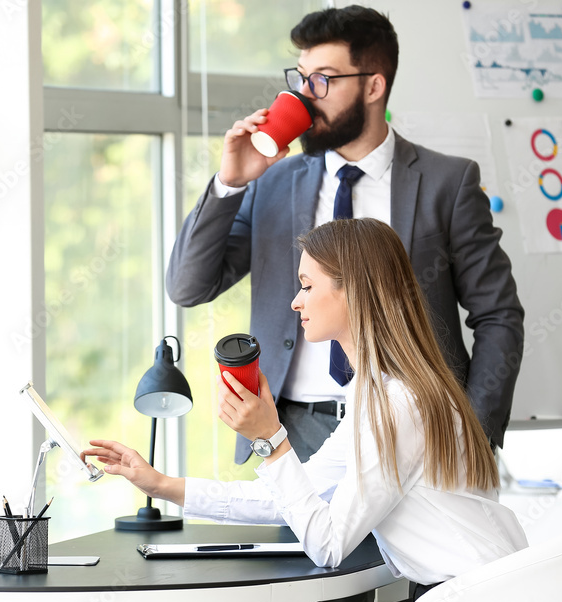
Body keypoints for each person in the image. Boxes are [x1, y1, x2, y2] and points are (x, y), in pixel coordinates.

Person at [87, 219, 528, 602]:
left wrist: (271, 438)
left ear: (352, 290)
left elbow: (329, 544)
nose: (296, 301)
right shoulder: (381, 391)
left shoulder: (392, 403)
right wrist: (161, 485)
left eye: (306, 285)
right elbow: (296, 493)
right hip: (477, 596)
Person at [166, 5, 525, 466]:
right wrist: (230, 183)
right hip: (293, 432)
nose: (303, 98)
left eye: (322, 80)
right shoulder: (273, 182)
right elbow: (188, 287)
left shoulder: (446, 183)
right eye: (299, 79)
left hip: (414, 429)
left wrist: (471, 432)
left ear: (373, 85)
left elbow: (498, 315)